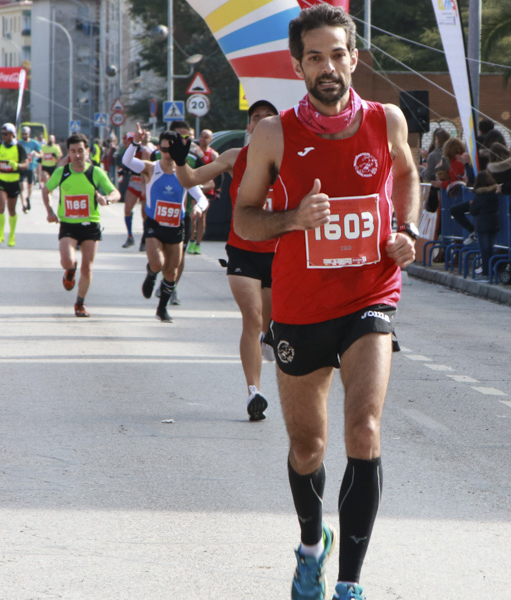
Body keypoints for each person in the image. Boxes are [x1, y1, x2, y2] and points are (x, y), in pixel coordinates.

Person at [232, 5, 419, 600]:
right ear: (298, 66)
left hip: (369, 294)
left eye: (338, 54)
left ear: (354, 58)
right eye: (315, 57)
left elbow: (408, 175)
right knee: (307, 446)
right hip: (300, 306)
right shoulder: (273, 135)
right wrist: (293, 219)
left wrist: (407, 232)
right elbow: (243, 220)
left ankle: (349, 586)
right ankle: (312, 545)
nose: (329, 66)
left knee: (363, 431)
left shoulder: (386, 120)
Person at [173, 100, 281, 421]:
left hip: (280, 254)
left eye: (268, 118)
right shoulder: (235, 157)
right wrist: (181, 162)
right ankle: (253, 392)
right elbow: (190, 179)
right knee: (252, 316)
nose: (261, 121)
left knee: (269, 323)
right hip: (243, 251)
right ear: (249, 127)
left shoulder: (291, 159)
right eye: (256, 118)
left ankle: (271, 336)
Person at [123, 125, 207, 322]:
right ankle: (151, 274)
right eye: (163, 150)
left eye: (171, 150)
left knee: (171, 270)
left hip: (176, 227)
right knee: (158, 263)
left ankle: (162, 308)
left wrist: (197, 209)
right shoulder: (152, 168)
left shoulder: (185, 173)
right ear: (158, 149)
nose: (167, 154)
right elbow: (127, 161)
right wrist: (135, 142)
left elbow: (202, 198)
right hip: (155, 224)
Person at [42, 133, 120, 317]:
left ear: (87, 151)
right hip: (68, 224)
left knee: (88, 267)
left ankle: (80, 303)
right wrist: (50, 212)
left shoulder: (95, 172)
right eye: (73, 151)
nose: (77, 155)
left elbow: (115, 193)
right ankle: (70, 270)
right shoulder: (62, 172)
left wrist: (106, 200)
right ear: (68, 153)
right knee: (67, 261)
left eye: (80, 151)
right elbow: (46, 191)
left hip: (90, 224)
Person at [0, 123, 29, 246]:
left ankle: (12, 235)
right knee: (1, 207)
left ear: (12, 134)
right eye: (2, 134)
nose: (3, 136)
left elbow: (26, 164)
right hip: (1, 181)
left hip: (14, 181)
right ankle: (0, 235)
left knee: (12, 210)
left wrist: (17, 166)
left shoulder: (19, 148)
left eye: (5, 134)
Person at [188, 128, 219, 255]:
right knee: (193, 215)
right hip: (195, 186)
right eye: (201, 136)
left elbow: (218, 173)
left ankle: (198, 244)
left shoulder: (213, 155)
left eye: (206, 137)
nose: (203, 139)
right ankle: (191, 240)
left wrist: (216, 188)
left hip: (207, 187)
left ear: (211, 139)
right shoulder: (194, 152)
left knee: (202, 217)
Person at [469, 170, 500, 278]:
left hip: (482, 224)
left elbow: (473, 211)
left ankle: (486, 272)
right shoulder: (494, 194)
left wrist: (472, 205)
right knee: (491, 248)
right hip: (493, 222)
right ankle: (491, 270)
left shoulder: (479, 196)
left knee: (484, 249)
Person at [18, 126, 43, 213]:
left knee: (29, 186)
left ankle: (28, 198)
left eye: (26, 134)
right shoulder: (19, 143)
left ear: (29, 134)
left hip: (31, 167)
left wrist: (36, 154)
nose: (24, 136)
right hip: (21, 167)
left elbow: (41, 154)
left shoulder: (34, 143)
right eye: (23, 134)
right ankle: (23, 204)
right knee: (21, 186)